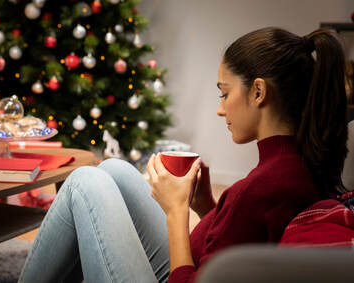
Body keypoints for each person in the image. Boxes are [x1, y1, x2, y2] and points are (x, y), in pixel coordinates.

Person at [18, 27, 348, 283]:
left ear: (259, 92)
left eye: (225, 93)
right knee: (115, 170)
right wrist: (207, 207)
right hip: (199, 267)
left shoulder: (266, 185)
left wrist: (177, 212)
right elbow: (244, 245)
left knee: (84, 181)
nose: (220, 110)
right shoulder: (295, 166)